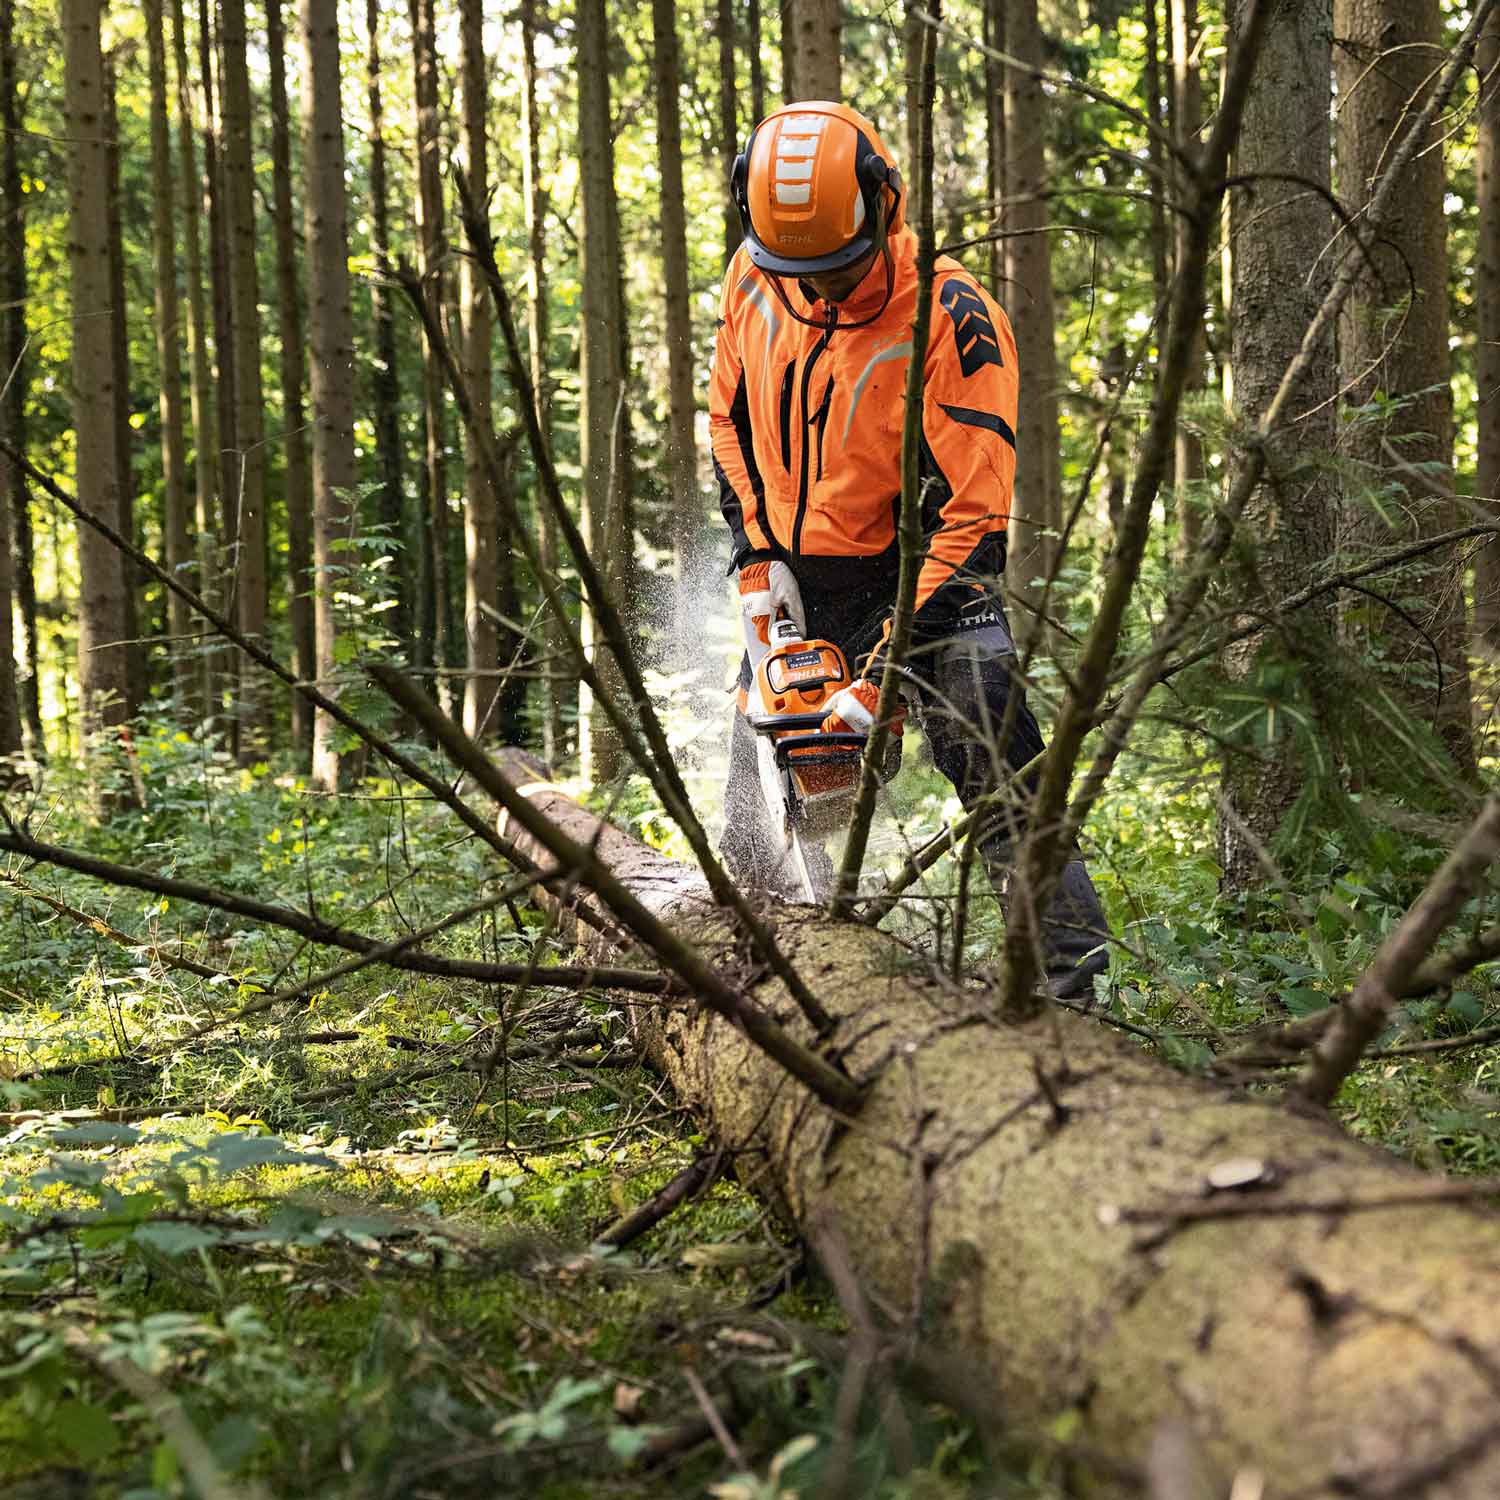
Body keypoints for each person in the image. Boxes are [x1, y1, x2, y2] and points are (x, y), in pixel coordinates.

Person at [708, 100, 1111, 1000]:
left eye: (838, 270)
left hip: (922, 569)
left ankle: (1071, 985)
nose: (820, 292)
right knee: (760, 774)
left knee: (995, 750)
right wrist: (754, 554)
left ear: (884, 209)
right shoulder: (751, 280)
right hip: (795, 567)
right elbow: (726, 423)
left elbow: (974, 516)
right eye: (798, 271)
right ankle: (753, 958)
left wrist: (884, 671)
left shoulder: (950, 317)